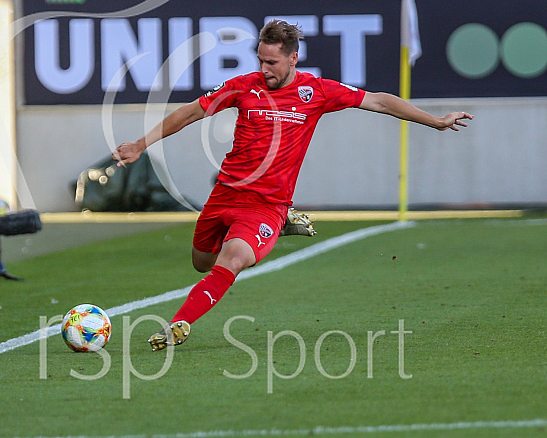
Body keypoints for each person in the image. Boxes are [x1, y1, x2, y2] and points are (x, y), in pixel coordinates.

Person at [112, 19, 473, 351]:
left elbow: (378, 100)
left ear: (293, 59)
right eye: (260, 60)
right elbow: (191, 112)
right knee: (201, 263)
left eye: (272, 62)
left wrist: (436, 121)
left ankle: (179, 323)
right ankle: (278, 229)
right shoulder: (242, 88)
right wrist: (141, 144)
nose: (264, 69)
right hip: (225, 194)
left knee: (233, 259)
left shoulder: (315, 92)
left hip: (267, 203)